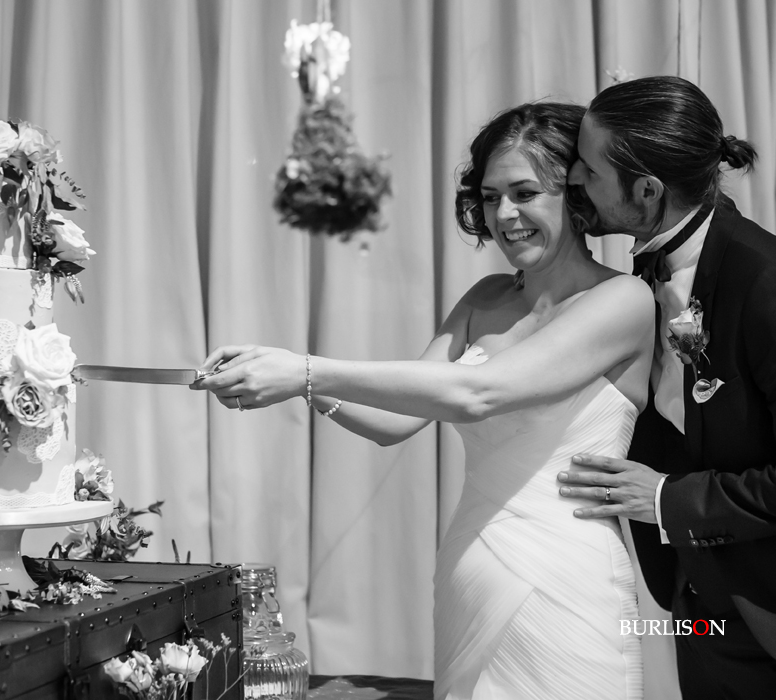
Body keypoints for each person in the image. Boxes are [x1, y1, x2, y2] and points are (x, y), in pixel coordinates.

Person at [193, 101, 653, 699]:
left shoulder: (623, 300)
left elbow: (478, 393)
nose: (504, 216)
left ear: (576, 193)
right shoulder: (484, 298)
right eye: (490, 197)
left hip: (570, 581)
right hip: (469, 569)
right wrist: (293, 380)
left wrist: (304, 369)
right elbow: (395, 419)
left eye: (525, 192)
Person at [559, 75, 776, 699]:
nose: (573, 182)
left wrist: (669, 500)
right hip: (704, 598)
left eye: (588, 171)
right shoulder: (646, 269)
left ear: (647, 190)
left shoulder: (773, 283)